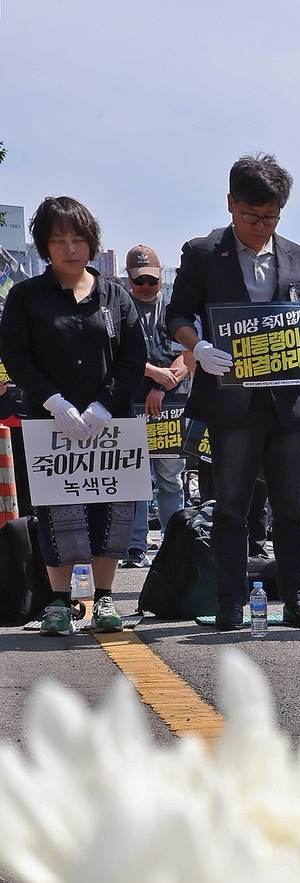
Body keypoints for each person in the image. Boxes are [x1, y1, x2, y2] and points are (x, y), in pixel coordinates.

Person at [168, 153, 300, 630]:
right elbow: (176, 315)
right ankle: (229, 601)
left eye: (271, 217)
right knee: (232, 507)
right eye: (251, 216)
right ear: (230, 204)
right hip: (231, 399)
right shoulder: (202, 253)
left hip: (287, 401)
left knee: (291, 508)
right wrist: (198, 347)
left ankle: (297, 598)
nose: (261, 225)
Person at [0, 195, 146, 635]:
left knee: (111, 510)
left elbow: (132, 355)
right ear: (44, 246)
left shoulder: (115, 295)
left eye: (78, 239)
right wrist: (53, 401)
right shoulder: (27, 296)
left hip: (109, 423)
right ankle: (60, 603)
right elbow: (16, 354)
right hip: (50, 423)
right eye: (58, 239)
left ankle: (103, 600)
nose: (69, 248)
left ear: (92, 243)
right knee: (55, 510)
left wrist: (104, 404)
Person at [124, 244, 190, 565]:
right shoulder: (120, 306)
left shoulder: (174, 307)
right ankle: (136, 545)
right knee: (134, 478)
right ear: (129, 279)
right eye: (140, 281)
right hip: (131, 402)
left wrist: (162, 386)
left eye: (151, 280)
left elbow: (189, 353)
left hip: (172, 405)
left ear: (160, 279)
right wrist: (153, 375)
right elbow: (115, 354)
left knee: (170, 478)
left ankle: (174, 541)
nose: (146, 287)